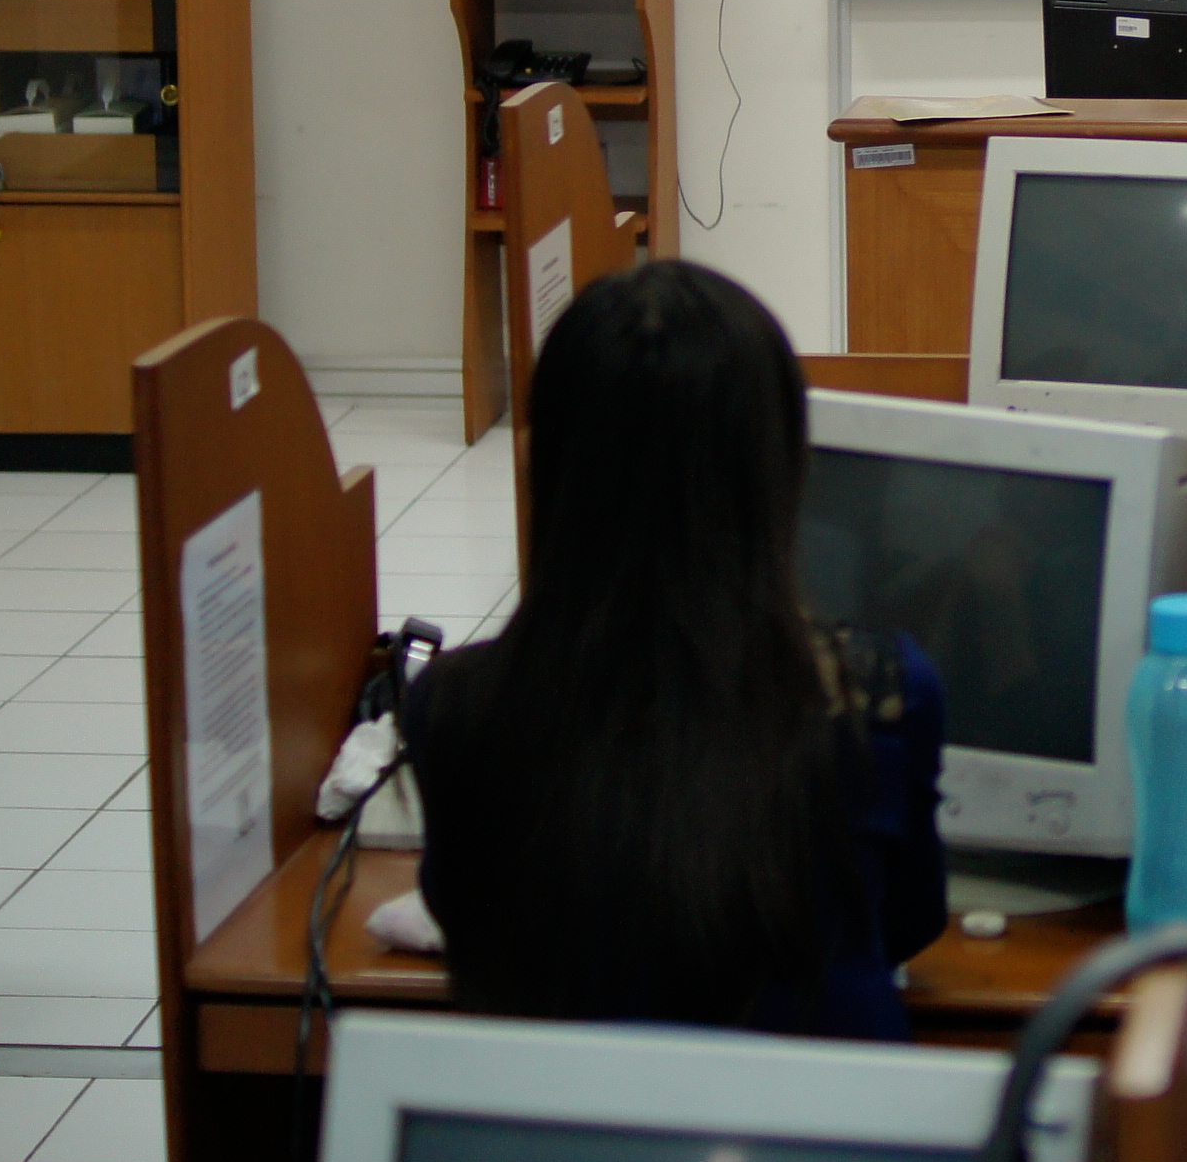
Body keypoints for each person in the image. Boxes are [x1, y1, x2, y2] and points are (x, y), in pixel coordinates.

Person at [404, 261, 949, 1037]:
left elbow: (463, 916)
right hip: (818, 1112)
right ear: (783, 471)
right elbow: (908, 919)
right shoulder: (882, 694)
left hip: (565, 1116)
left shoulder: (452, 707)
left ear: (540, 465)